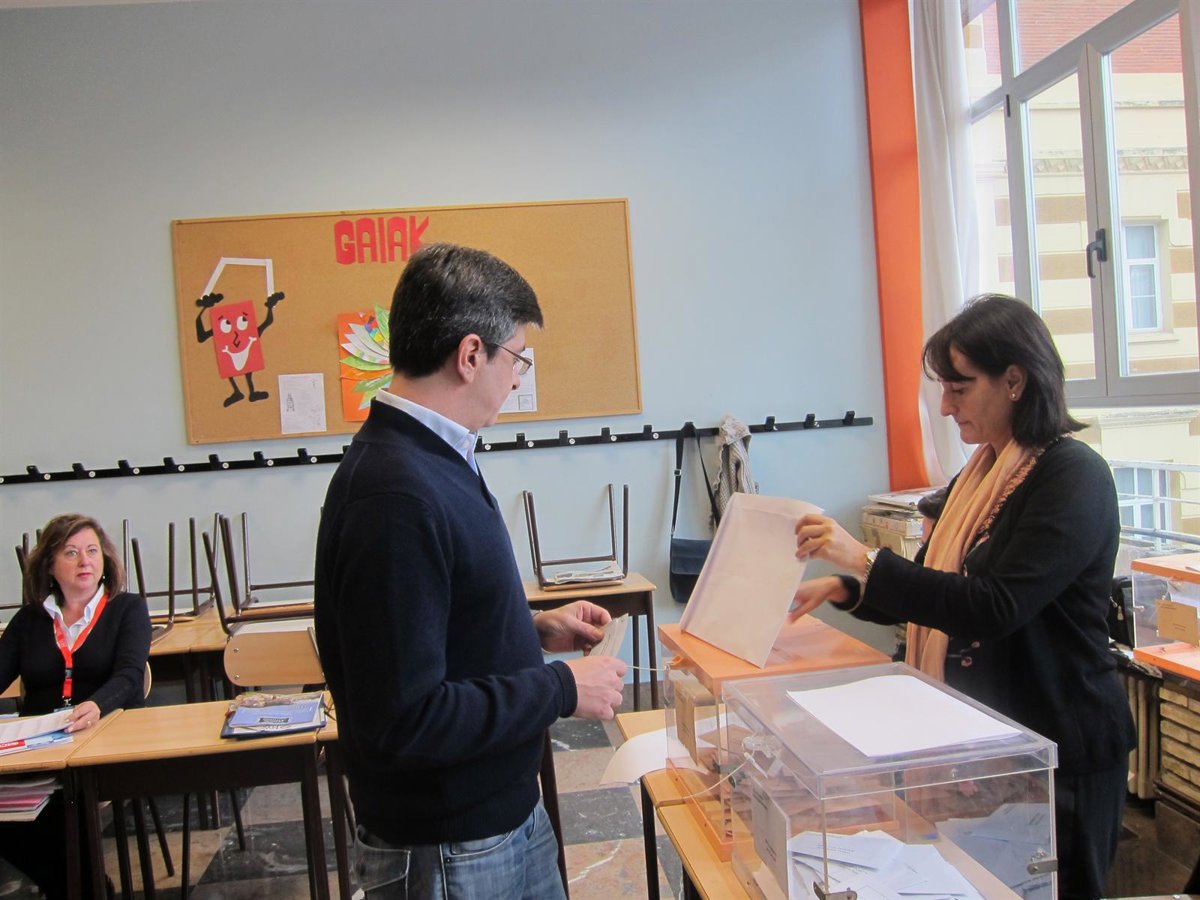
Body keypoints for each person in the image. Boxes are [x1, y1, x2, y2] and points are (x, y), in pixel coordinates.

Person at [791, 294, 1134, 900]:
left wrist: (863, 559)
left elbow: (992, 606)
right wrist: (843, 587)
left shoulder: (1073, 476)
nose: (946, 406)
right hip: (988, 745)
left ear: (1015, 381)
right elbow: (932, 588)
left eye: (959, 388)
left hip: (1061, 747)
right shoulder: (979, 475)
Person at [313, 243, 628, 900]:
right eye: (516, 358)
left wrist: (528, 629)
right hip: (450, 847)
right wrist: (559, 689)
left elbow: (431, 626)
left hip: (495, 820)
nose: (516, 379)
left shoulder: (432, 459)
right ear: (470, 354)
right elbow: (405, 720)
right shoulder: (394, 494)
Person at [0, 513, 152, 899]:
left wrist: (97, 704)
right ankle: (83, 886)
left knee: (63, 803)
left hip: (105, 737)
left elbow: (130, 676)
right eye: (71, 552)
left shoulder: (128, 609)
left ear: (105, 559)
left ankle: (78, 886)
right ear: (49, 565)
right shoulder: (29, 620)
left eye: (92, 551)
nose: (85, 561)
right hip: (41, 749)